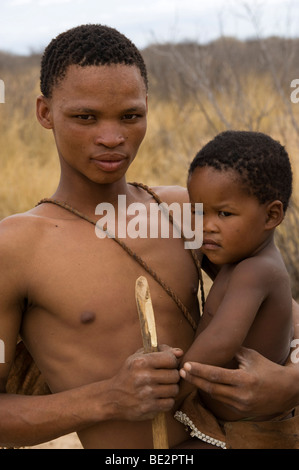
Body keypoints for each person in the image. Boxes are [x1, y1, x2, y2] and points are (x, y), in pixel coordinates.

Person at [0, 24, 299, 450]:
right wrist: (107, 399)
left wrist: (291, 381)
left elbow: (280, 304)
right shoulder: (16, 247)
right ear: (45, 112)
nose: (111, 138)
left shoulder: (181, 211)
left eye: (130, 116)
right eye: (85, 117)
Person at [175, 131, 297, 448]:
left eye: (224, 214)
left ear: (272, 215)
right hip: (226, 419)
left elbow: (222, 341)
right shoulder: (237, 256)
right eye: (198, 212)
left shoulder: (257, 270)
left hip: (249, 429)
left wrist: (175, 385)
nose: (206, 226)